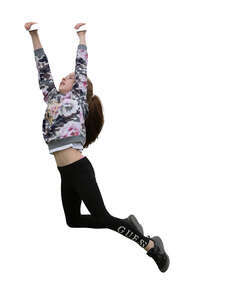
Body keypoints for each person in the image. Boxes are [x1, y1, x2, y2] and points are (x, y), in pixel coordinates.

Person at [25, 22, 170, 272]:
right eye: (66, 76)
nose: (64, 78)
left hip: (79, 169)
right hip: (65, 173)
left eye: (70, 78)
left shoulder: (78, 98)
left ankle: (150, 245)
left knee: (102, 217)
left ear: (80, 87)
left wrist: (81, 36)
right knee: (72, 220)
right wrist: (34, 34)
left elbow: (81, 65)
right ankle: (130, 225)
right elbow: (43, 69)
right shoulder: (52, 97)